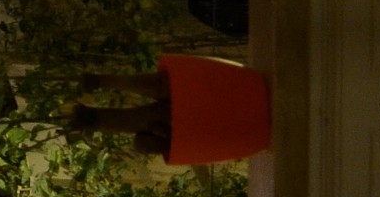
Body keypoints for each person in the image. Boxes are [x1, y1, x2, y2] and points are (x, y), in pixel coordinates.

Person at [65, 55, 270, 164]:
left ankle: (96, 108)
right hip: (222, 114)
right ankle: (96, 108)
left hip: (230, 111)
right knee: (162, 104)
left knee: (162, 103)